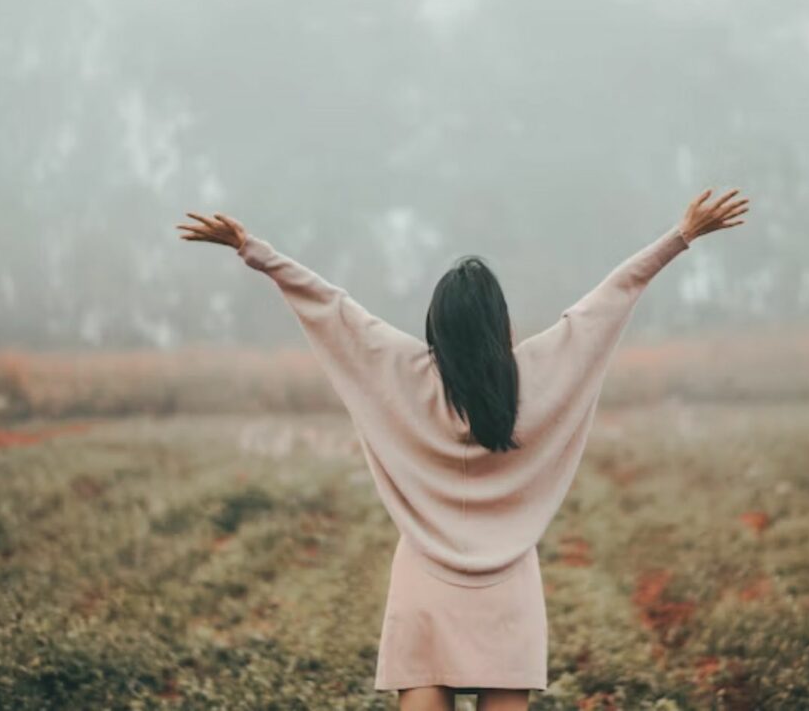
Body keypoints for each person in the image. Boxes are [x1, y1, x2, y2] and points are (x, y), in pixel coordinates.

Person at [176, 187, 748, 711]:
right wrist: (680, 237)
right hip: (509, 588)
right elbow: (608, 300)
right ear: (501, 324)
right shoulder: (537, 375)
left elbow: (331, 305)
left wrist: (253, 249)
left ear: (436, 327)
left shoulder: (402, 371)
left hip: (425, 579)